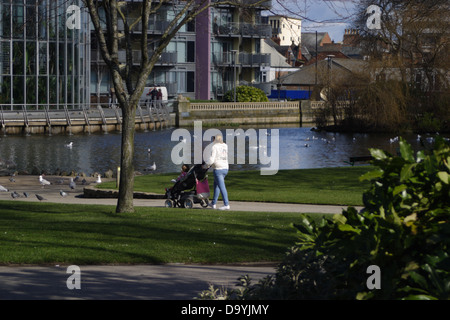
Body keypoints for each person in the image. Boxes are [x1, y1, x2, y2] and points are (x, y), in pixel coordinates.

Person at [205, 134, 230, 210]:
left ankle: (226, 204)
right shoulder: (225, 146)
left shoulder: (214, 147)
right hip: (225, 168)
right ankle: (213, 203)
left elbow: (212, 159)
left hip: (218, 169)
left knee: (222, 187)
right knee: (216, 186)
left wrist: (207, 164)